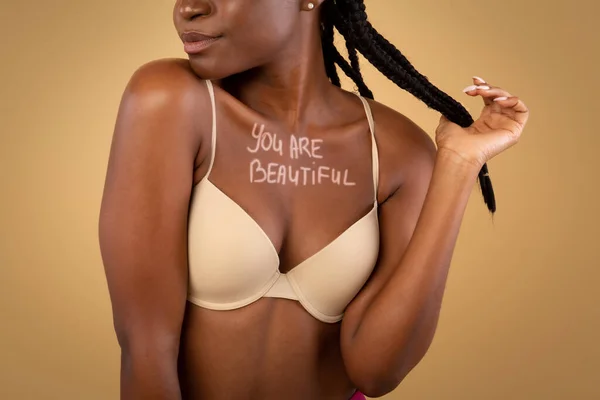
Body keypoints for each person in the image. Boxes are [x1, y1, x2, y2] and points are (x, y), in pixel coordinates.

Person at [98, 0, 529, 399]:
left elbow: (376, 371)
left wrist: (456, 166)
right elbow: (145, 350)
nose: (187, 8)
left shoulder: (398, 154)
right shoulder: (171, 101)